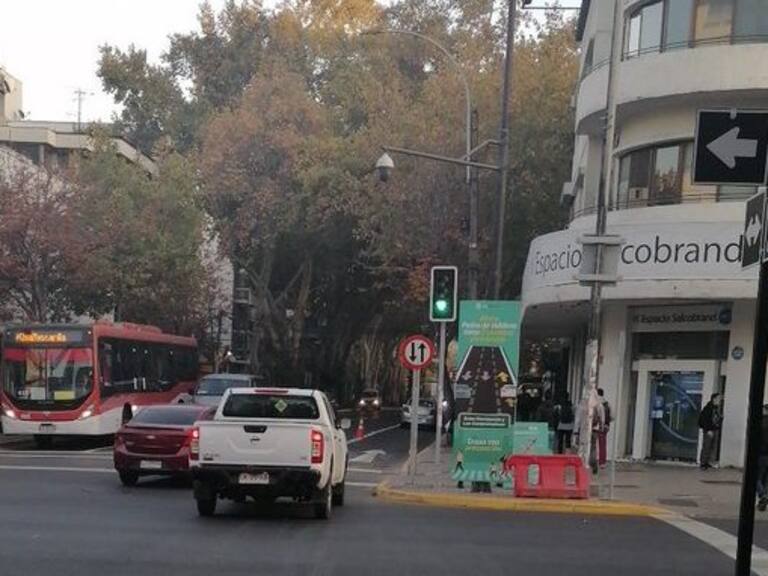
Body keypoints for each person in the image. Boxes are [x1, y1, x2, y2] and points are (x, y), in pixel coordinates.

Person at [699, 393, 722, 470]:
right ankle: (703, 463)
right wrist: (708, 429)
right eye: (718, 399)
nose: (720, 400)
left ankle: (708, 462)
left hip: (715, 429)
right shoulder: (708, 408)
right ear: (714, 399)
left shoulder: (715, 409)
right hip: (709, 430)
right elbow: (704, 420)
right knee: (707, 446)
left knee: (712, 447)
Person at [757, 405, 768, 511]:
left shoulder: (761, 423)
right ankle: (764, 498)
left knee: (757, 477)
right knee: (766, 479)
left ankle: (762, 495)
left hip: (761, 453)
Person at [597, 388, 612, 468]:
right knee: (602, 445)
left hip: (595, 426)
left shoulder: (594, 402)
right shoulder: (607, 403)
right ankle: (602, 462)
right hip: (605, 426)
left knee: (592, 444)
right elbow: (612, 416)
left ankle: (591, 460)